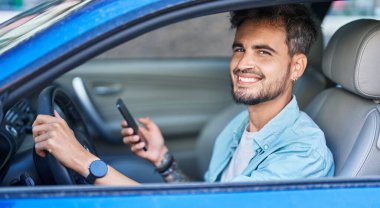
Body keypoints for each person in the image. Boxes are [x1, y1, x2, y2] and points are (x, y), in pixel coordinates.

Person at [32, 4, 334, 185]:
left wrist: (83, 160)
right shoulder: (239, 126)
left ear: (296, 67)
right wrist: (163, 160)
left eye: (263, 52)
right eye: (239, 49)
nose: (243, 63)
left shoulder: (303, 154)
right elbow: (208, 199)